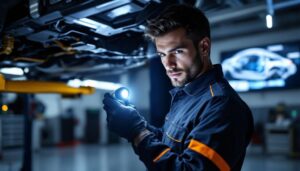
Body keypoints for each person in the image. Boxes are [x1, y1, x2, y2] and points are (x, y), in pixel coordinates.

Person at [103, 4, 254, 171]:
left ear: (204, 47)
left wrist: (137, 132)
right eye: (162, 54)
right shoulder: (188, 95)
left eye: (178, 51)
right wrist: (136, 122)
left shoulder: (222, 105)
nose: (168, 65)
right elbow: (170, 143)